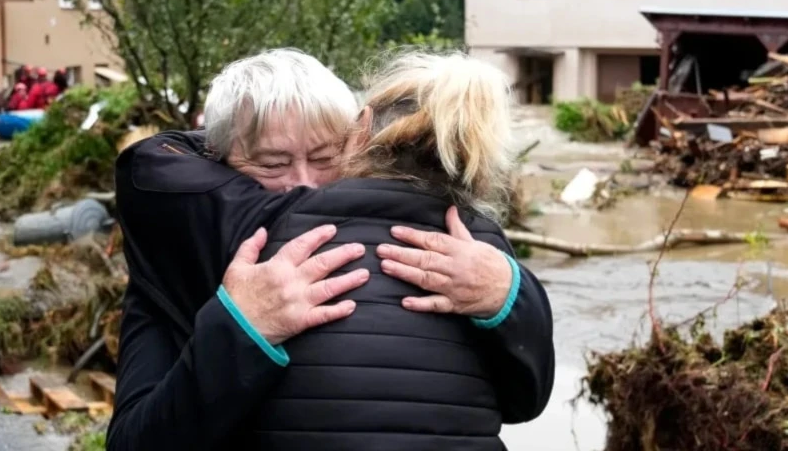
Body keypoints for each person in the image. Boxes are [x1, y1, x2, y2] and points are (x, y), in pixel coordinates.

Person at [108, 49, 553, 450]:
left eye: (324, 158)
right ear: (214, 164)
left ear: (359, 138)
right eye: (271, 163)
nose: (302, 183)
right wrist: (241, 329)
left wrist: (506, 293)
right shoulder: (182, 247)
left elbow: (519, 399)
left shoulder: (468, 253)